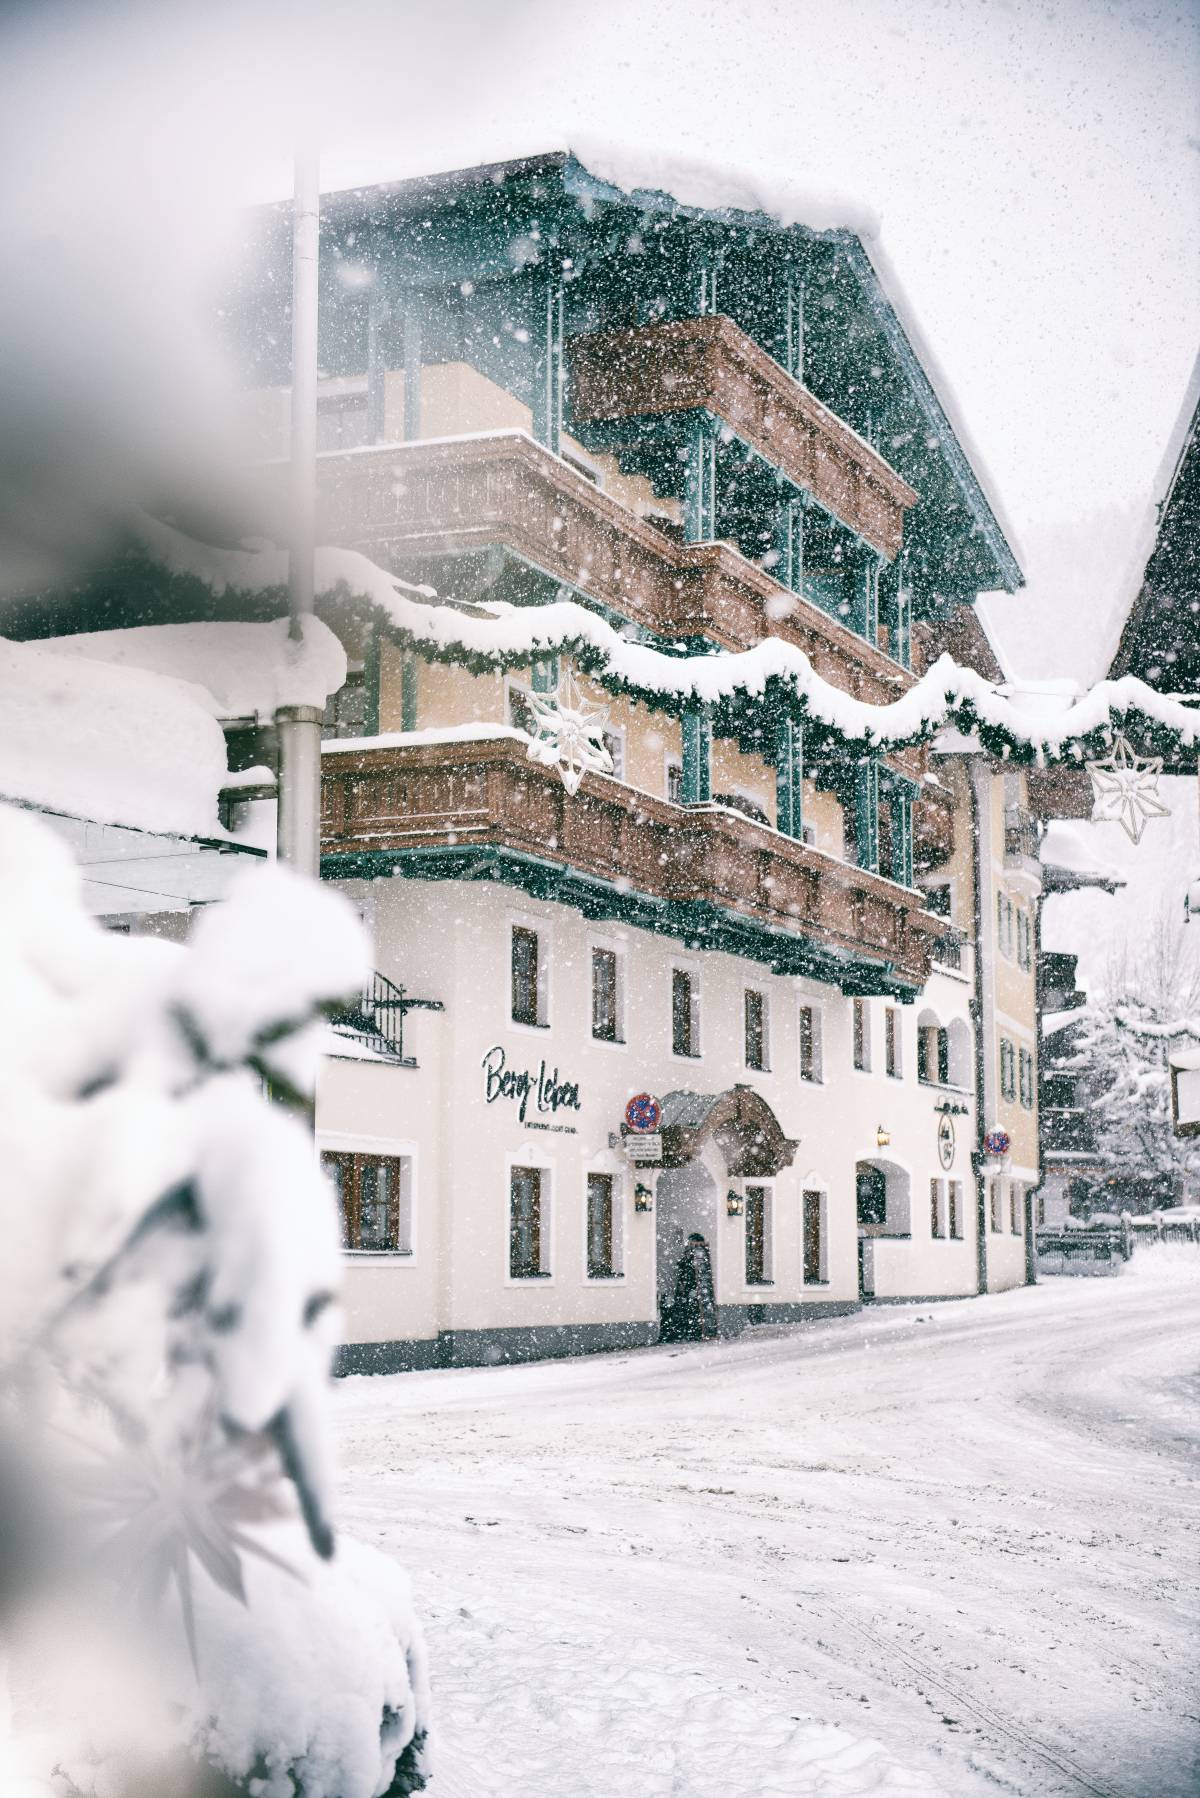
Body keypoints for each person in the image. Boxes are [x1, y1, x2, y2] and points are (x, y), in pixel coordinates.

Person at [660, 1232, 717, 1341]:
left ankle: (692, 1332)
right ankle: (686, 1332)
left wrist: (693, 1289)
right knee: (685, 1311)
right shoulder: (688, 1258)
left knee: (691, 1311)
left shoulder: (696, 1258)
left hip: (693, 1291)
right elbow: (683, 1272)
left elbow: (696, 1274)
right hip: (686, 1290)